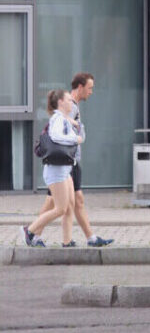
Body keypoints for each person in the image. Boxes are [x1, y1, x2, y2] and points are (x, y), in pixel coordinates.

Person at [35, 73, 112, 247]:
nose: (91, 92)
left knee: (67, 201)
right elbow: (64, 135)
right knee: (66, 202)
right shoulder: (71, 107)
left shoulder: (72, 106)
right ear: (80, 87)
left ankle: (76, 238)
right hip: (68, 162)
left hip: (67, 162)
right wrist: (77, 137)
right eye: (90, 88)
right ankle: (34, 233)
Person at [20, 91, 84, 247]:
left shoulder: (62, 119)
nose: (72, 103)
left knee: (70, 206)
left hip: (64, 169)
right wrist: (74, 138)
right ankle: (30, 231)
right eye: (69, 100)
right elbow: (55, 136)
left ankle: (67, 241)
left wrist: (73, 125)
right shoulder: (57, 119)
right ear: (61, 102)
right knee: (60, 208)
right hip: (56, 171)